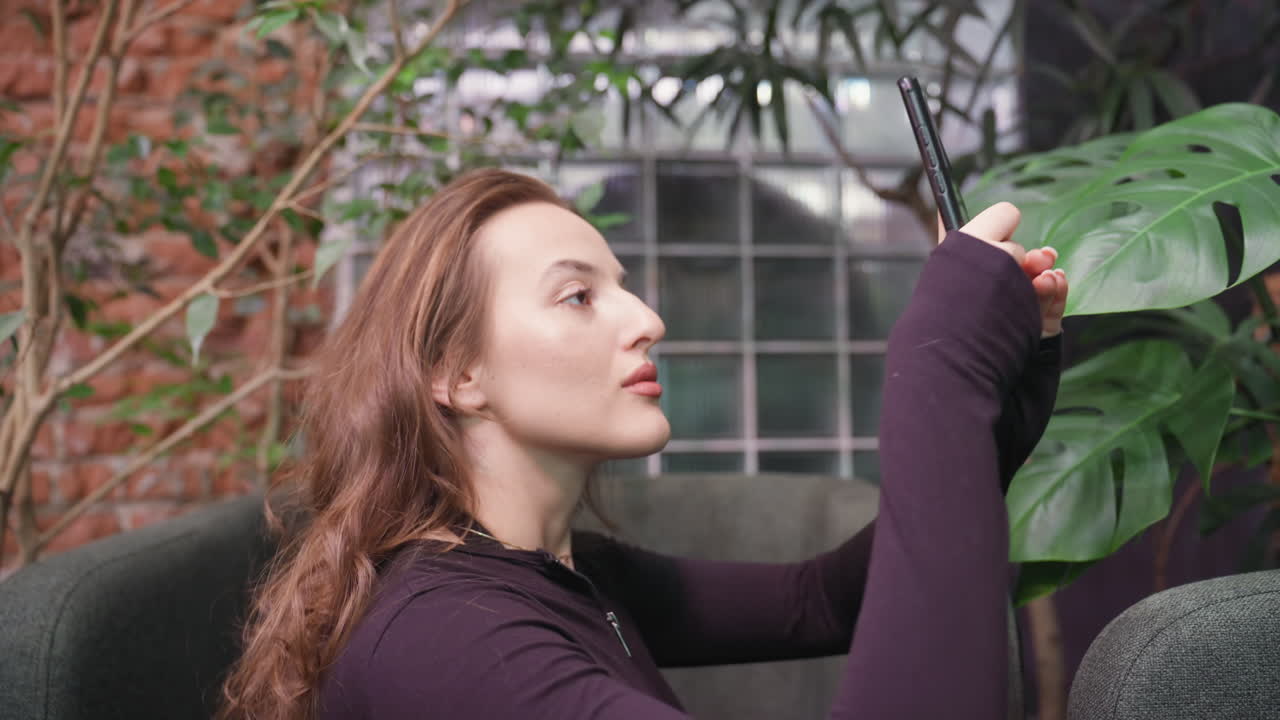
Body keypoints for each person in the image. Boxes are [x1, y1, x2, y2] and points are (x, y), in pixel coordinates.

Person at [217, 168, 1068, 720]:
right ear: (457, 372)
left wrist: (985, 437)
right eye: (579, 297)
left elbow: (822, 599)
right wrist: (938, 381)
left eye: (621, 287)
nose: (649, 321)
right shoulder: (456, 645)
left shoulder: (561, 575)